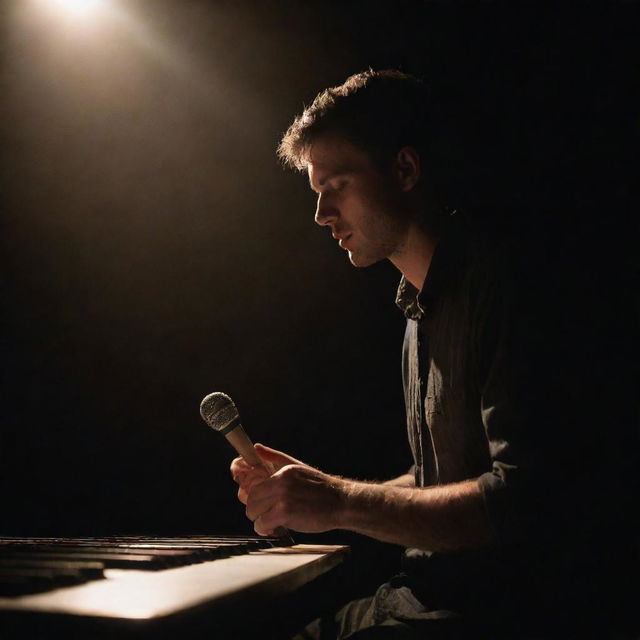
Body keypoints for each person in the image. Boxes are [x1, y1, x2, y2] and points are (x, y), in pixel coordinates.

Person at [230, 70, 629, 639]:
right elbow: (438, 479)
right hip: (418, 599)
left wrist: (342, 503)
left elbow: (522, 501)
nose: (321, 214)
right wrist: (314, 489)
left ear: (406, 170)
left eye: (336, 185)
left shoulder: (507, 285)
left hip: (492, 614)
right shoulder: (417, 313)